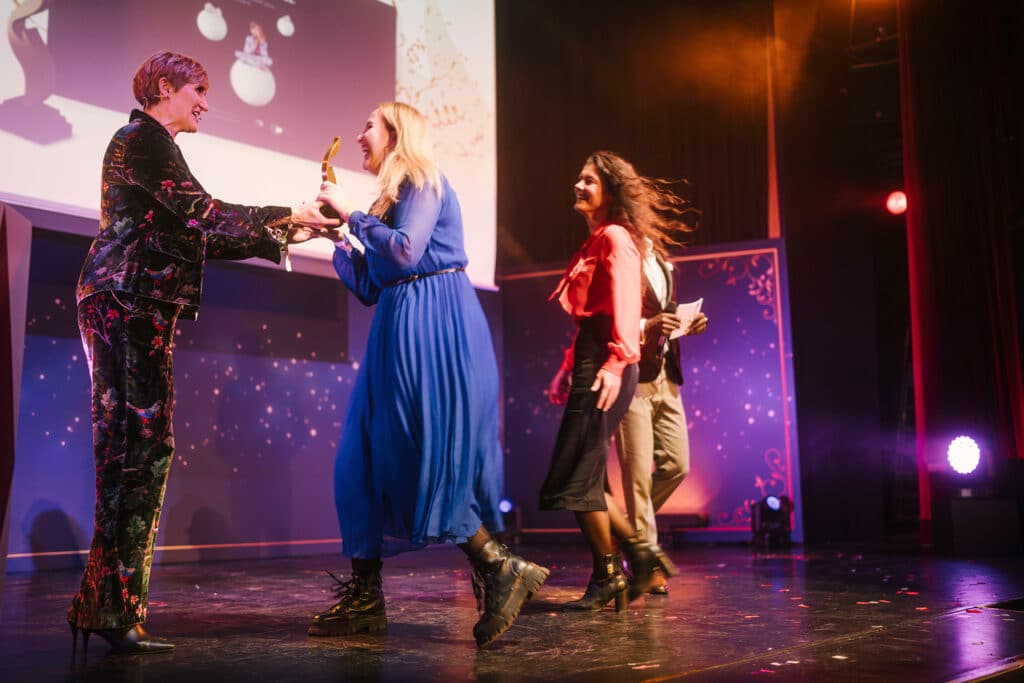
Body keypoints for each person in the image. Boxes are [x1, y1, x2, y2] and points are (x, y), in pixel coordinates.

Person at [67, 51, 335, 656]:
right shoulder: (143, 139)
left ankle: (106, 606)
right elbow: (203, 213)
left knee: (138, 449)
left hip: (133, 301)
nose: (206, 104)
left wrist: (288, 228)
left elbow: (195, 230)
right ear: (165, 87)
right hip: (128, 299)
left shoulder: (149, 145)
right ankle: (110, 608)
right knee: (136, 449)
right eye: (199, 91)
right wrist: (287, 216)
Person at [311, 102, 548, 648]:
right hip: (398, 327)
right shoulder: (391, 197)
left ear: (396, 135)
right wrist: (337, 237)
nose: (359, 134)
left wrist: (352, 215)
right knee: (360, 461)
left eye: (369, 126)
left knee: (415, 454)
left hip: (434, 324)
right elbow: (372, 284)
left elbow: (405, 251)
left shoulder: (423, 180)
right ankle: (366, 597)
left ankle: (498, 565)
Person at [539, 150, 680, 611]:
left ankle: (632, 559)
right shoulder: (598, 238)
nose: (578, 186)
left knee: (577, 476)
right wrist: (568, 366)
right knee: (585, 475)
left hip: (607, 358)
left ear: (610, 191)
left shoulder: (616, 237)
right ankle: (617, 569)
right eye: (578, 179)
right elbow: (590, 316)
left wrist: (616, 362)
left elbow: (624, 303)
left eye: (589, 181)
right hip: (592, 354)